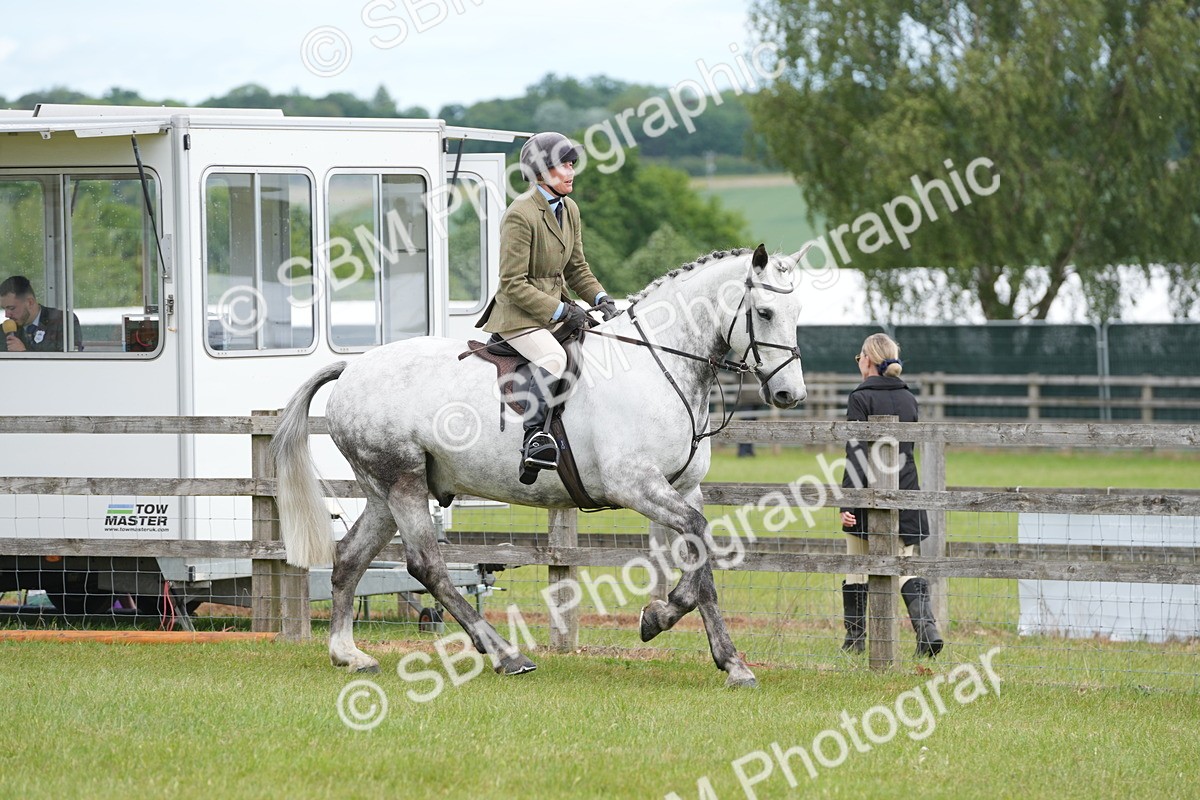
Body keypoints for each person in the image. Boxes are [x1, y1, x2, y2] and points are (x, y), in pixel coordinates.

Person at [476, 132, 618, 483]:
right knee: (554, 360)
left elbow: (576, 268)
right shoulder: (520, 215)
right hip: (518, 315)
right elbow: (512, 282)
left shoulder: (569, 208)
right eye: (564, 165)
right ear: (542, 171)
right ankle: (534, 440)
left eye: (572, 164)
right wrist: (560, 311)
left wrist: (601, 299)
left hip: (553, 309)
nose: (572, 171)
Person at [838, 333, 942, 657]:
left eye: (859, 359)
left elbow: (856, 453)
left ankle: (855, 641)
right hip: (907, 494)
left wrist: (848, 502)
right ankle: (926, 631)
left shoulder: (860, 397)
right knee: (905, 568)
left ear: (868, 360)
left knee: (856, 567)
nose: (859, 364)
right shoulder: (909, 398)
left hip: (868, 499)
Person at [1, 275, 83, 353]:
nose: (7, 315)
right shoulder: (4, 331)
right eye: (4, 309)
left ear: (30, 302)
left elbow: (70, 362)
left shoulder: (63, 322)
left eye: (12, 308)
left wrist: (24, 353)